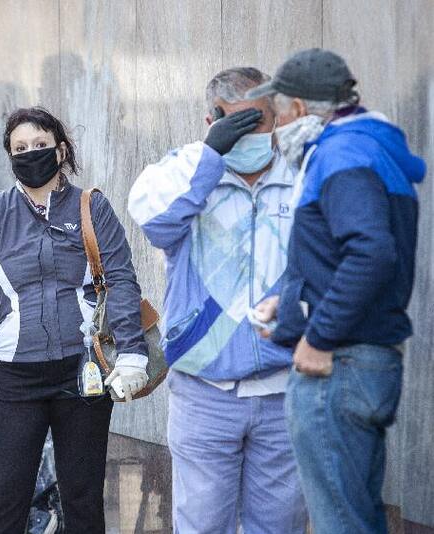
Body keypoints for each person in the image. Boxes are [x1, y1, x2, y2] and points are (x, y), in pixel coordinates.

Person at [0, 107, 148, 534]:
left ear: (60, 149)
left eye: (40, 145)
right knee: (8, 497)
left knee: (82, 498)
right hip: (17, 376)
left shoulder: (90, 207)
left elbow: (120, 277)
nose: (30, 154)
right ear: (9, 156)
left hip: (83, 372)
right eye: (19, 148)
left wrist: (133, 353)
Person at [251, 48, 426, 534]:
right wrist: (287, 303)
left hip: (339, 366)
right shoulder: (369, 147)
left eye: (278, 112)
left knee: (340, 523)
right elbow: (341, 251)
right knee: (357, 516)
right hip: (360, 361)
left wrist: (318, 337)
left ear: (301, 110)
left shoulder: (342, 153)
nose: (276, 125)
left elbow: (371, 252)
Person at [127, 67, 307, 533]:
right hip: (206, 391)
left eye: (261, 120)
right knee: (204, 525)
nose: (251, 133)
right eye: (236, 123)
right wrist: (210, 155)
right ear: (212, 121)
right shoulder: (185, 172)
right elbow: (156, 222)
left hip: (284, 387)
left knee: (279, 526)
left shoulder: (301, 175)